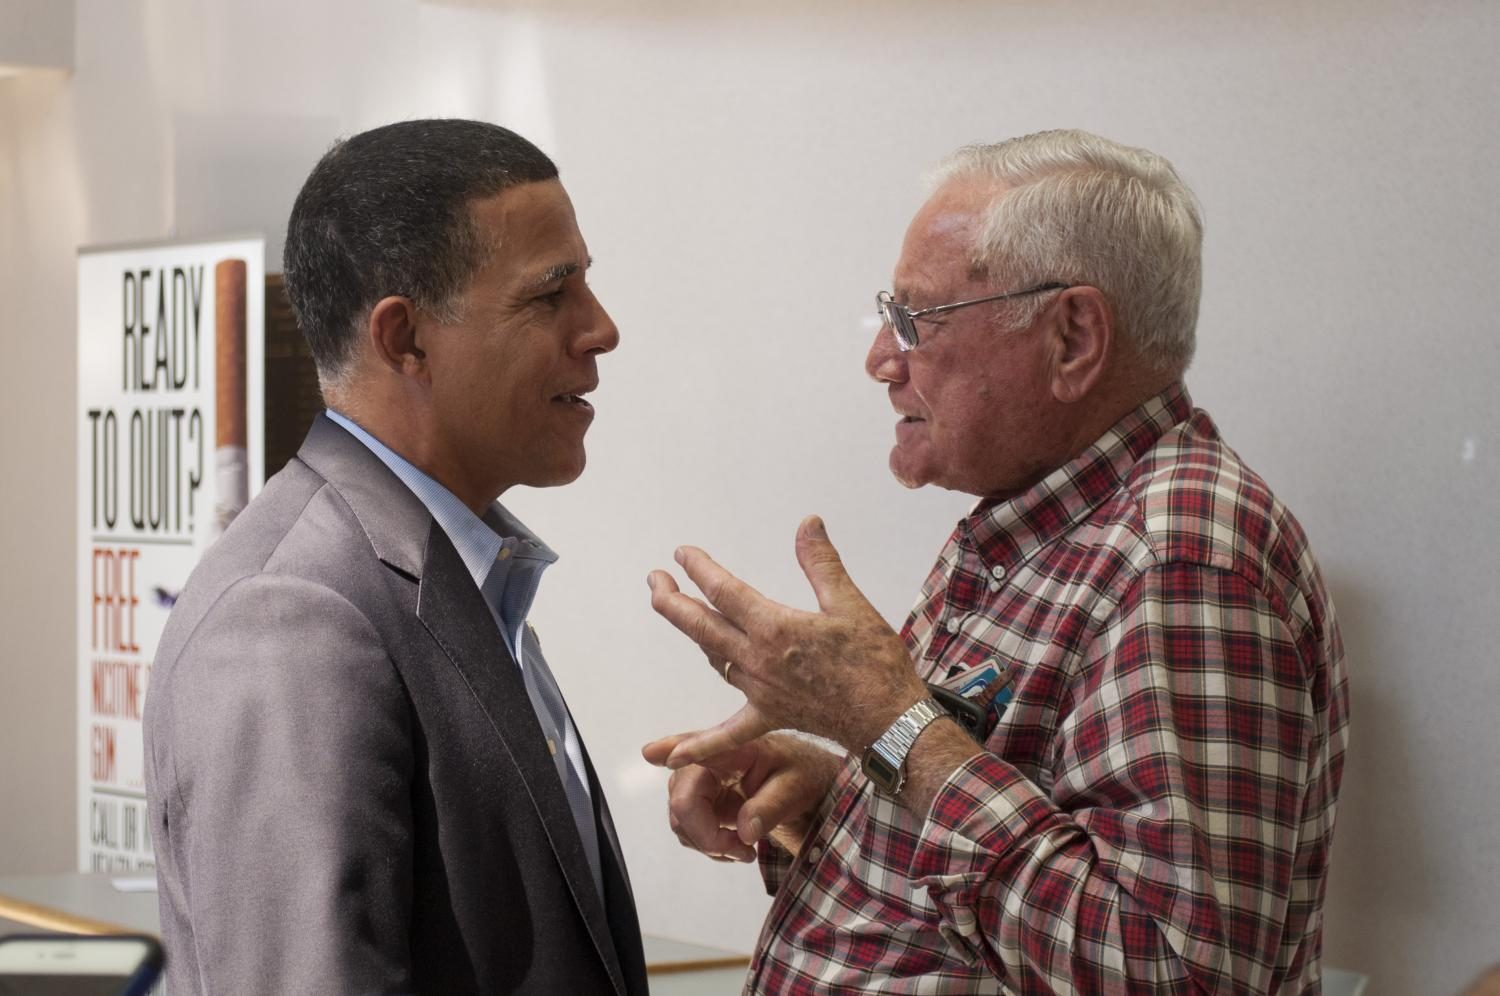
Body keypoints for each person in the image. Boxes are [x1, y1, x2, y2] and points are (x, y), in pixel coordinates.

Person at [644, 129, 1349, 993]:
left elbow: (1175, 976)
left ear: (1073, 338)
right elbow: (992, 822)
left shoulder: (1181, 559)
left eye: (916, 319)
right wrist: (836, 797)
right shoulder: (1042, 520)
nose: (880, 360)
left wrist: (884, 725)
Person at [144, 119, 647, 995]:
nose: (600, 330)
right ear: (405, 339)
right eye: (550, 294)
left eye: (587, 284)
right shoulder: (293, 616)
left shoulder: (448, 571)